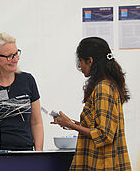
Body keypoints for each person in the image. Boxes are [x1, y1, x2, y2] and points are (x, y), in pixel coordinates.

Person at [51, 37, 131, 170]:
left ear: (90, 61)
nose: (79, 66)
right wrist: (72, 123)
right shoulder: (107, 85)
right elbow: (99, 126)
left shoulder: (103, 88)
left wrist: (71, 125)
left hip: (103, 164)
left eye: (80, 61)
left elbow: (104, 135)